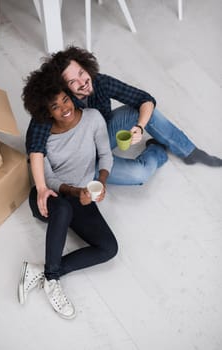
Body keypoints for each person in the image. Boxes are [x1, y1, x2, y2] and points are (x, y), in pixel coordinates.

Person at [26, 45, 222, 217]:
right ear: (63, 89)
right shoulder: (58, 106)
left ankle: (189, 152)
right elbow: (35, 148)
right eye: (72, 82)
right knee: (140, 175)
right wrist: (42, 188)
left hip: (101, 137)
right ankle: (157, 150)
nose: (82, 81)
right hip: (80, 163)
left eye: (80, 72)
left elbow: (145, 99)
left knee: (143, 112)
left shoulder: (98, 81)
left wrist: (139, 127)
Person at [18, 66, 118, 319]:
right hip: (50, 198)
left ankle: (42, 270)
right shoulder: (42, 138)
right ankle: (52, 279)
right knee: (62, 207)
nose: (64, 108)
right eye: (55, 106)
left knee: (108, 248)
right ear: (45, 111)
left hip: (82, 196)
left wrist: (102, 181)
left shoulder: (93, 118)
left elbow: (105, 155)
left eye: (65, 99)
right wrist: (75, 191)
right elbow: (49, 179)